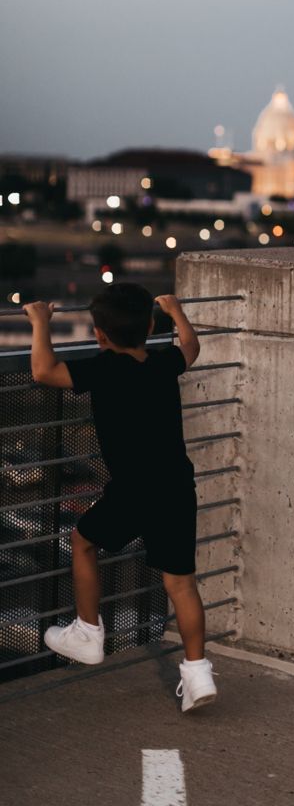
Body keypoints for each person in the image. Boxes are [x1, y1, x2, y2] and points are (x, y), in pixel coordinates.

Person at [23, 285, 217, 712]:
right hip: (175, 486)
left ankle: (89, 633)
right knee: (180, 582)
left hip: (132, 490)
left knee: (81, 541)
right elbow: (191, 346)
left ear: (99, 334)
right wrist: (177, 311)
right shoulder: (164, 364)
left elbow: (42, 371)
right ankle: (198, 671)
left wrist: (40, 322)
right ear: (150, 327)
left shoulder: (101, 369)